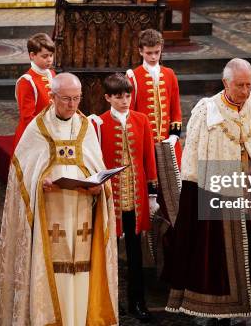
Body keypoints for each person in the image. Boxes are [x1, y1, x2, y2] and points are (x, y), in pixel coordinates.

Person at [165, 59, 251, 326]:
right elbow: (193, 160)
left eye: (250, 85)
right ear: (226, 82)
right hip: (220, 197)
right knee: (221, 255)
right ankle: (221, 312)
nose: (246, 91)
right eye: (240, 85)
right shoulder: (206, 112)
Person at [0, 73, 118, 326]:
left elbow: (97, 168)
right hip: (49, 218)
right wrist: (40, 184)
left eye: (77, 99)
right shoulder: (37, 129)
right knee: (54, 270)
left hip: (82, 218)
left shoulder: (86, 128)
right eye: (66, 99)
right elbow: (21, 175)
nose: (72, 105)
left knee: (82, 271)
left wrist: (98, 190)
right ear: (52, 97)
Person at [90, 73, 158, 322]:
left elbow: (149, 157)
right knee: (108, 254)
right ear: (107, 97)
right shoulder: (99, 124)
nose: (124, 100)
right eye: (118, 96)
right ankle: (108, 301)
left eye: (127, 95)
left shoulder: (142, 120)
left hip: (136, 199)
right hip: (111, 201)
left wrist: (152, 193)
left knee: (135, 254)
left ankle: (137, 301)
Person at [127, 29, 183, 164]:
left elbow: (176, 109)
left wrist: (174, 136)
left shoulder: (170, 74)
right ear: (140, 51)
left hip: (168, 142)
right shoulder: (132, 77)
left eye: (157, 52)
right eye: (149, 53)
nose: (153, 57)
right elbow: (130, 113)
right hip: (144, 142)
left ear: (161, 49)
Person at [13, 32, 56, 149]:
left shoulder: (51, 74)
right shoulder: (26, 81)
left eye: (51, 55)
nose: (49, 60)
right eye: (45, 56)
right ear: (32, 55)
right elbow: (27, 117)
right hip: (33, 136)